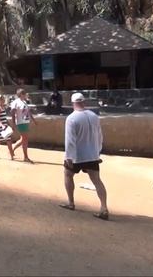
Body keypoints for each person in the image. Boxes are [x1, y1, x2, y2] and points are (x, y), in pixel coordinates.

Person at [60, 92, 109, 220]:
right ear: (84, 102)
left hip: (77, 155)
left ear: (73, 103)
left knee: (67, 174)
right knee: (97, 180)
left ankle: (71, 202)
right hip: (92, 155)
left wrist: (68, 157)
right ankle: (104, 208)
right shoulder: (94, 116)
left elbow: (70, 140)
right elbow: (99, 136)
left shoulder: (71, 118)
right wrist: (98, 151)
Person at [10, 88, 35, 163]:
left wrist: (33, 120)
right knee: (25, 139)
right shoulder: (15, 102)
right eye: (24, 94)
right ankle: (26, 157)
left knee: (23, 139)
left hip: (26, 122)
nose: (25, 95)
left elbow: (28, 112)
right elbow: (13, 113)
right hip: (21, 123)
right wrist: (13, 123)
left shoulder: (24, 102)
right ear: (21, 94)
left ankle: (12, 149)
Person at [0, 95, 15, 160]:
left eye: (3, 98)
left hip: (5, 127)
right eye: (1, 99)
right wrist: (2, 125)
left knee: (9, 140)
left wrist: (9, 125)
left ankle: (11, 156)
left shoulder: (3, 107)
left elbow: (4, 118)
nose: (3, 100)